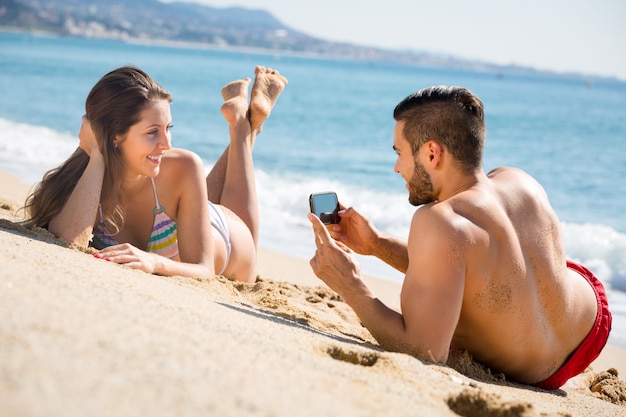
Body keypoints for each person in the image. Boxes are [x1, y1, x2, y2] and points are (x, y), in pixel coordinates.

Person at [308, 86, 611, 389]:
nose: (396, 167)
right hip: (586, 330)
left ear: (431, 152)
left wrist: (350, 285)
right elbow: (463, 264)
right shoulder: (519, 180)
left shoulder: (439, 221)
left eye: (399, 153)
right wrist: (376, 245)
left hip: (531, 373)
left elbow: (424, 352)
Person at [23, 65, 287, 283]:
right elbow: (70, 241)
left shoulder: (184, 165)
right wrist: (98, 154)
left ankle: (243, 129)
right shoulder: (83, 182)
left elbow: (204, 269)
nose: (167, 143)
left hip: (227, 242)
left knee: (245, 234)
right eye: (152, 132)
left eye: (168, 128)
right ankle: (246, 119)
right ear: (114, 137)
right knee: (193, 198)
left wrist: (153, 261)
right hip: (182, 208)